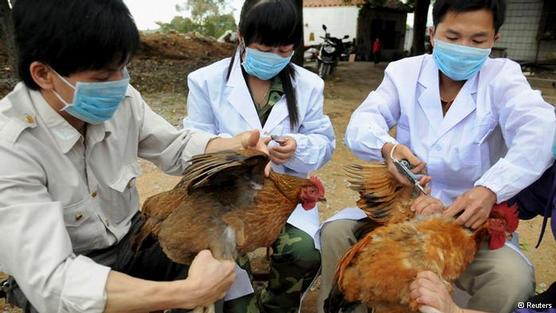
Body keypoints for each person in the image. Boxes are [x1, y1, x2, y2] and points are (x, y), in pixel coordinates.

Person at [0, 0, 271, 312]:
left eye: (123, 68)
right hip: (68, 268)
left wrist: (234, 146)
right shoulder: (11, 148)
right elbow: (55, 279)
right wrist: (187, 293)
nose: (119, 84)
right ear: (44, 74)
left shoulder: (123, 100)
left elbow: (177, 147)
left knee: (214, 254)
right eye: (102, 77)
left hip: (131, 241)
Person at [317, 0, 556, 312]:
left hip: (469, 223)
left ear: (495, 39)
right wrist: (388, 149)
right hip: (405, 210)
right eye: (453, 37)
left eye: (478, 40)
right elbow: (363, 122)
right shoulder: (403, 73)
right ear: (432, 34)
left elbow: (541, 130)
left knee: (512, 278)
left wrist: (490, 189)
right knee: (337, 234)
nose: (464, 47)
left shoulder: (504, 79)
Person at [182, 0, 335, 312]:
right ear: (241, 37)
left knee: (303, 252)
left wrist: (297, 147)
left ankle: (277, 306)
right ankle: (243, 305)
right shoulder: (205, 81)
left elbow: (324, 143)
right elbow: (193, 144)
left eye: (284, 50)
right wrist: (239, 152)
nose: (275, 57)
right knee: (225, 253)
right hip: (225, 197)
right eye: (265, 47)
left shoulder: (308, 85)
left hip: (282, 197)